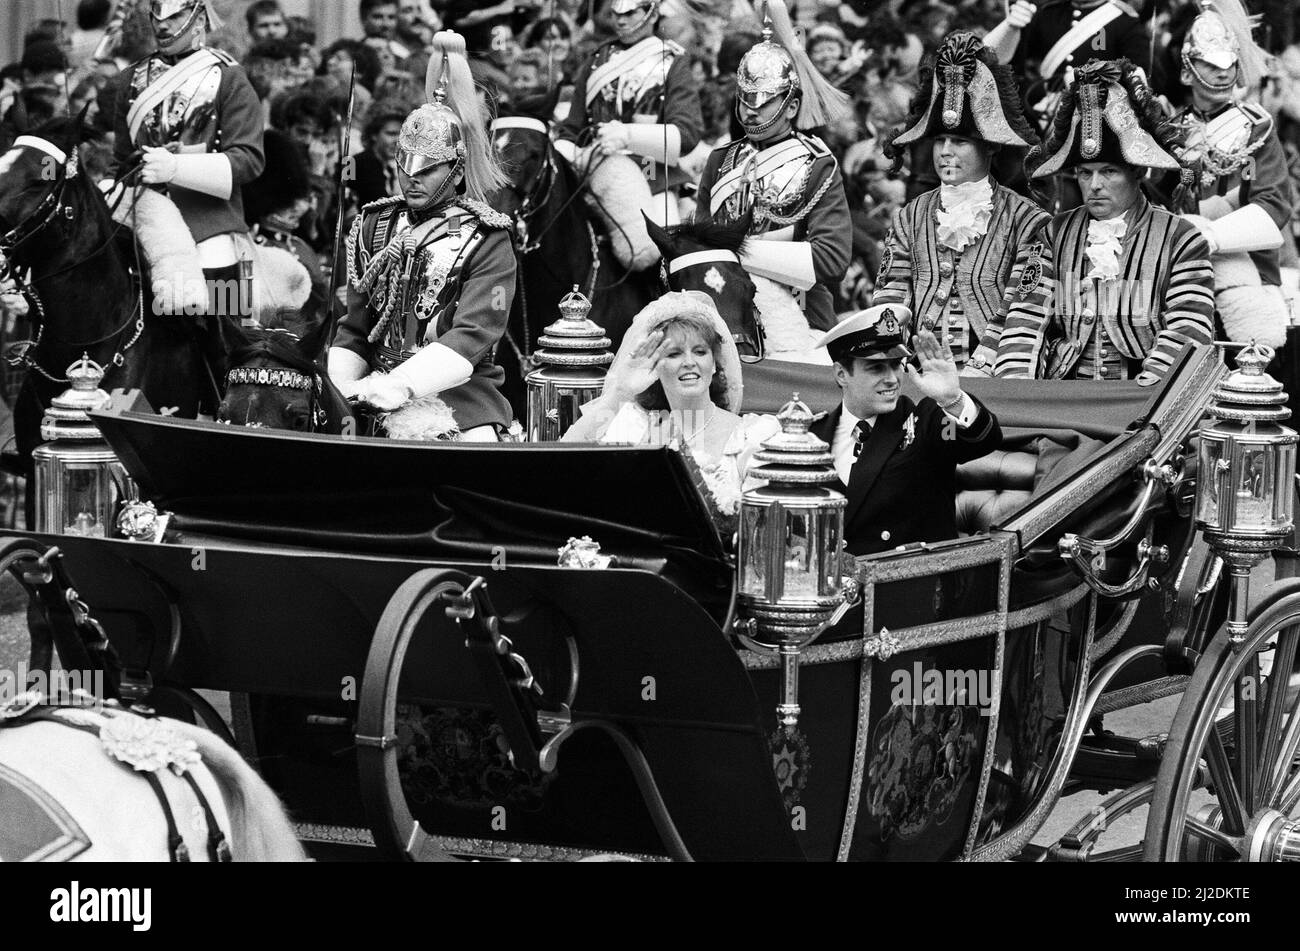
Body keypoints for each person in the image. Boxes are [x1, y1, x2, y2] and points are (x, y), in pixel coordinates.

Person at [328, 32, 515, 442]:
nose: (412, 177)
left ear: (456, 168)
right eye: (405, 164)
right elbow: (355, 330)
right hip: (369, 386)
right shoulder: (374, 224)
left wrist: (400, 385)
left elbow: (473, 336)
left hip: (458, 398)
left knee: (476, 455)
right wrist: (339, 389)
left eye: (428, 167)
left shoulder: (489, 238)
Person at [994, 58, 1215, 381]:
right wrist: (1020, 395)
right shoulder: (1052, 234)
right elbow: (1024, 318)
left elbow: (1188, 330)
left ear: (1138, 172)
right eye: (1085, 173)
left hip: (1144, 396)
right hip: (1064, 397)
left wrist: (1144, 400)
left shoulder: (1181, 239)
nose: (1094, 185)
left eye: (1109, 172)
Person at [874, 32, 1048, 374]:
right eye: (941, 140)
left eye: (961, 141)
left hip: (996, 375)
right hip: (917, 373)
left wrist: (982, 367)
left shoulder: (1028, 221)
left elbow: (1022, 311)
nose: (946, 152)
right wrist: (896, 363)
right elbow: (890, 300)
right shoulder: (910, 216)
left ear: (991, 147)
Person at [694, 0, 853, 336]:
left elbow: (831, 259)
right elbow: (699, 245)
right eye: (745, 99)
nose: (751, 111)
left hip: (798, 311)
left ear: (792, 105)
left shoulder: (818, 164)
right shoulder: (719, 160)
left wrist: (735, 248)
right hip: (722, 306)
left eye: (764, 101)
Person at [110, 0, 265, 320]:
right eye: (157, 15)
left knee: (224, 328)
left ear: (198, 17)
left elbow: (248, 159)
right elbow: (121, 159)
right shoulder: (131, 79)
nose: (163, 25)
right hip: (145, 217)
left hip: (207, 221)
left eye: (176, 15)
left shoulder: (229, 76)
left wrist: (177, 168)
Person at [809, 304, 1002, 557]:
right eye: (876, 367)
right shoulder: (813, 434)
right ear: (842, 374)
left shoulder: (927, 421)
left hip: (909, 586)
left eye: (896, 364)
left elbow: (980, 440)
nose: (892, 378)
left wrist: (952, 400)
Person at [562, 291, 778, 515]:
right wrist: (621, 392)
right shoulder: (632, 426)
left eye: (700, 352)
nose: (689, 362)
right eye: (674, 354)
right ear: (654, 365)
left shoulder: (749, 435)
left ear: (714, 363)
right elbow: (565, 461)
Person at [1163, 0, 1293, 347]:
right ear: (1188, 71)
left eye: (1230, 63)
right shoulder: (1170, 129)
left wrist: (1210, 237)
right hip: (1180, 269)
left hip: (1248, 266)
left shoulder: (1256, 129)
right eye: (1210, 63)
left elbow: (1274, 203)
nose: (1222, 73)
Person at [554, 0, 702, 268]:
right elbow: (572, 126)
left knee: (670, 253)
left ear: (652, 12)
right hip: (596, 170)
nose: (620, 21)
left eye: (630, 13)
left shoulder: (671, 61)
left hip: (652, 174)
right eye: (615, 13)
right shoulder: (596, 61)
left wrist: (629, 135)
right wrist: (564, 154)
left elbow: (688, 133)